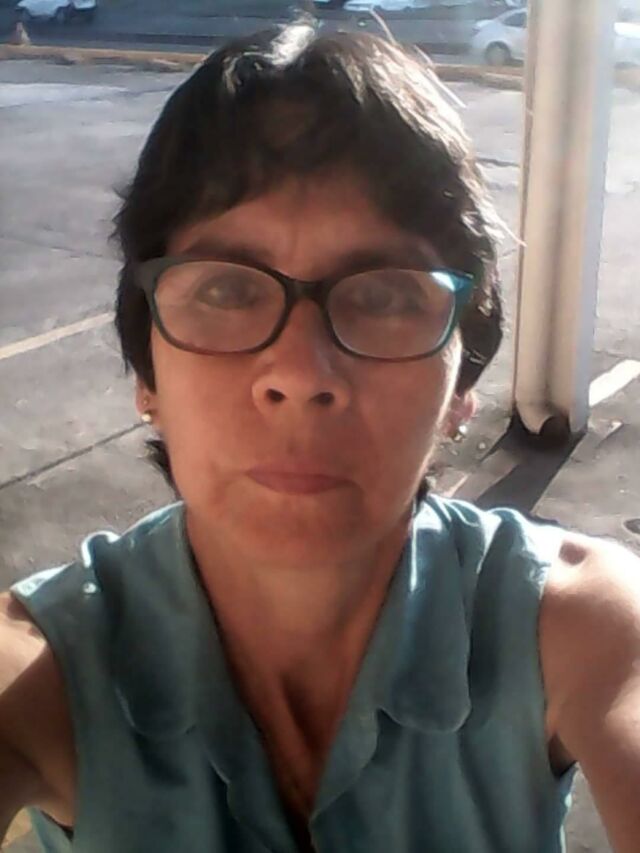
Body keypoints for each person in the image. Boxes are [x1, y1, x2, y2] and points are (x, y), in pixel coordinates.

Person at [1, 20, 639, 853]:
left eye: (384, 296)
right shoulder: (39, 665)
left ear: (461, 387)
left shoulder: (579, 624)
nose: (300, 373)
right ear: (148, 377)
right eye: (226, 291)